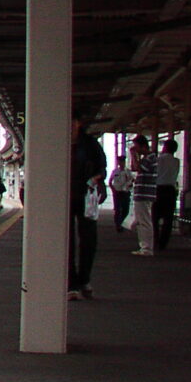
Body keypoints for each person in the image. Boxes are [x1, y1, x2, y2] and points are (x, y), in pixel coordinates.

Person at [68, 114, 106, 300]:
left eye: (73, 121)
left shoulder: (90, 144)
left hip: (85, 195)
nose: (70, 125)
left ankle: (84, 279)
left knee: (88, 239)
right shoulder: (57, 141)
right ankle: (70, 283)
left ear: (79, 123)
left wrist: (95, 179)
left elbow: (102, 168)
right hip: (63, 197)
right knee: (65, 241)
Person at [129, 135, 157, 256]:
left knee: (144, 221)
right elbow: (134, 167)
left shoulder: (150, 157)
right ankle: (144, 246)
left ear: (143, 146)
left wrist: (133, 155)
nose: (135, 149)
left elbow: (137, 168)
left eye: (136, 147)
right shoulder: (148, 157)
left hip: (145, 193)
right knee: (142, 221)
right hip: (143, 193)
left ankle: (147, 248)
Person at [153, 138, 180, 250]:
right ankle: (163, 243)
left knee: (154, 216)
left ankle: (155, 239)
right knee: (168, 219)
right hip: (170, 189)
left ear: (164, 148)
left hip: (158, 189)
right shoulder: (177, 161)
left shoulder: (158, 159)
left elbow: (155, 172)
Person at [108, 155, 135, 232]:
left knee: (125, 209)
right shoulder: (115, 171)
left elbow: (132, 180)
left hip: (125, 192)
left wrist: (129, 186)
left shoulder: (128, 171)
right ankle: (118, 225)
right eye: (120, 161)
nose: (121, 163)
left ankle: (122, 223)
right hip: (117, 192)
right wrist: (113, 189)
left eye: (122, 161)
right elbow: (110, 181)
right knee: (117, 209)